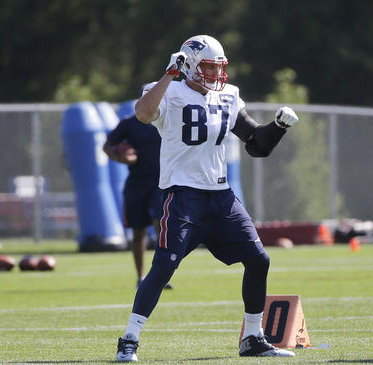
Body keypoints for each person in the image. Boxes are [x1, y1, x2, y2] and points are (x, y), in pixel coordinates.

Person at [115, 34, 299, 361]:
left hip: (221, 196)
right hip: (183, 196)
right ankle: (129, 338)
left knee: (259, 260)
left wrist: (279, 127)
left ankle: (253, 338)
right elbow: (143, 114)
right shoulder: (167, 90)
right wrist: (170, 74)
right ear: (189, 65)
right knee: (164, 264)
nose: (217, 75)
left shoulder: (228, 96)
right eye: (210, 68)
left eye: (219, 68)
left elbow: (256, 143)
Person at [103, 110, 173, 289]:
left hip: (162, 181)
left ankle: (160, 276)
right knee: (138, 231)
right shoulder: (130, 123)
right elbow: (107, 146)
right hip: (137, 182)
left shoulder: (169, 118)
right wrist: (120, 157)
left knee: (161, 227)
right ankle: (140, 277)